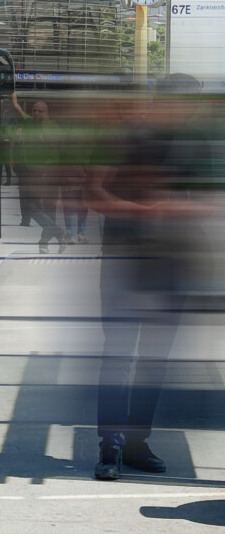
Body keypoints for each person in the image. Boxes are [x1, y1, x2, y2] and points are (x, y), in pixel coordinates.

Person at [85, 76, 205, 480]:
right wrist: (141, 211)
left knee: (155, 360)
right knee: (119, 355)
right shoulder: (123, 136)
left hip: (172, 264)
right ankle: (110, 446)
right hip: (125, 261)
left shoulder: (194, 143)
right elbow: (92, 193)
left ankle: (136, 442)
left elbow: (198, 198)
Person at [12, 92, 65, 252]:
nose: (36, 113)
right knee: (31, 207)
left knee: (50, 209)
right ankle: (58, 232)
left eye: (40, 111)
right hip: (33, 175)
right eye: (34, 111)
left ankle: (44, 242)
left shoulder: (54, 128)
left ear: (47, 113)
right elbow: (18, 110)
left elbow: (53, 144)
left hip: (49, 175)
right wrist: (14, 101)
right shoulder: (29, 123)